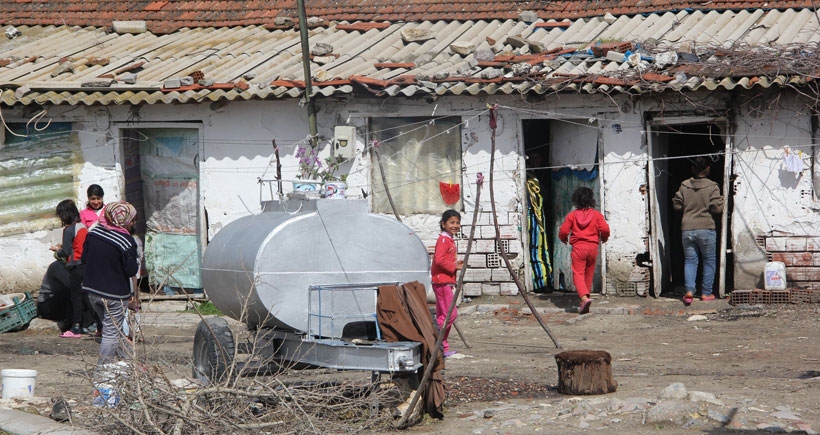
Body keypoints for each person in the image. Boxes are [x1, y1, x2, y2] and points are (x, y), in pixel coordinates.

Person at [82, 201, 139, 367]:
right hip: (114, 296)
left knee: (114, 330)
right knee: (110, 334)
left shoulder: (93, 233)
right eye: (133, 220)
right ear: (125, 221)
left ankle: (130, 364)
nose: (134, 223)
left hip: (92, 292)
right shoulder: (126, 241)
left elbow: (84, 259)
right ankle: (103, 371)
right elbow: (130, 270)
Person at [673, 156, 724, 305]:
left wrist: (688, 207)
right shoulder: (712, 186)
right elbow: (716, 208)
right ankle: (706, 293)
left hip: (687, 228)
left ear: (693, 169)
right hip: (706, 228)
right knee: (709, 261)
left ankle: (689, 292)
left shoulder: (684, 185)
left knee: (690, 261)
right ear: (708, 168)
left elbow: (677, 205)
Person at [559, 187, 610, 314]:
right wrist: (604, 237)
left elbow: (564, 231)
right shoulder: (597, 215)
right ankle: (584, 301)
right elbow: (605, 229)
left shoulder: (572, 216)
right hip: (592, 248)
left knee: (578, 274)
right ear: (591, 199)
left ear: (576, 200)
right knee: (588, 274)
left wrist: (563, 238)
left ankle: (584, 298)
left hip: (578, 248)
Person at [50, 199, 89, 338]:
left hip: (75, 267)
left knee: (75, 298)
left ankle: (75, 328)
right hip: (86, 265)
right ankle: (98, 326)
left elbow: (66, 252)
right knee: (87, 297)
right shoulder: (82, 227)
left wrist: (57, 250)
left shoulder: (68, 230)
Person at [431, 209, 464, 358]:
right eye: (452, 222)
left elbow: (443, 259)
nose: (455, 225)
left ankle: (442, 348)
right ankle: (434, 340)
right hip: (442, 281)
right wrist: (454, 266)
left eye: (457, 222)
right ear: (443, 224)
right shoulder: (444, 240)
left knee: (442, 315)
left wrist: (455, 263)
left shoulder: (448, 239)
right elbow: (439, 260)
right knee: (450, 314)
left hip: (444, 281)